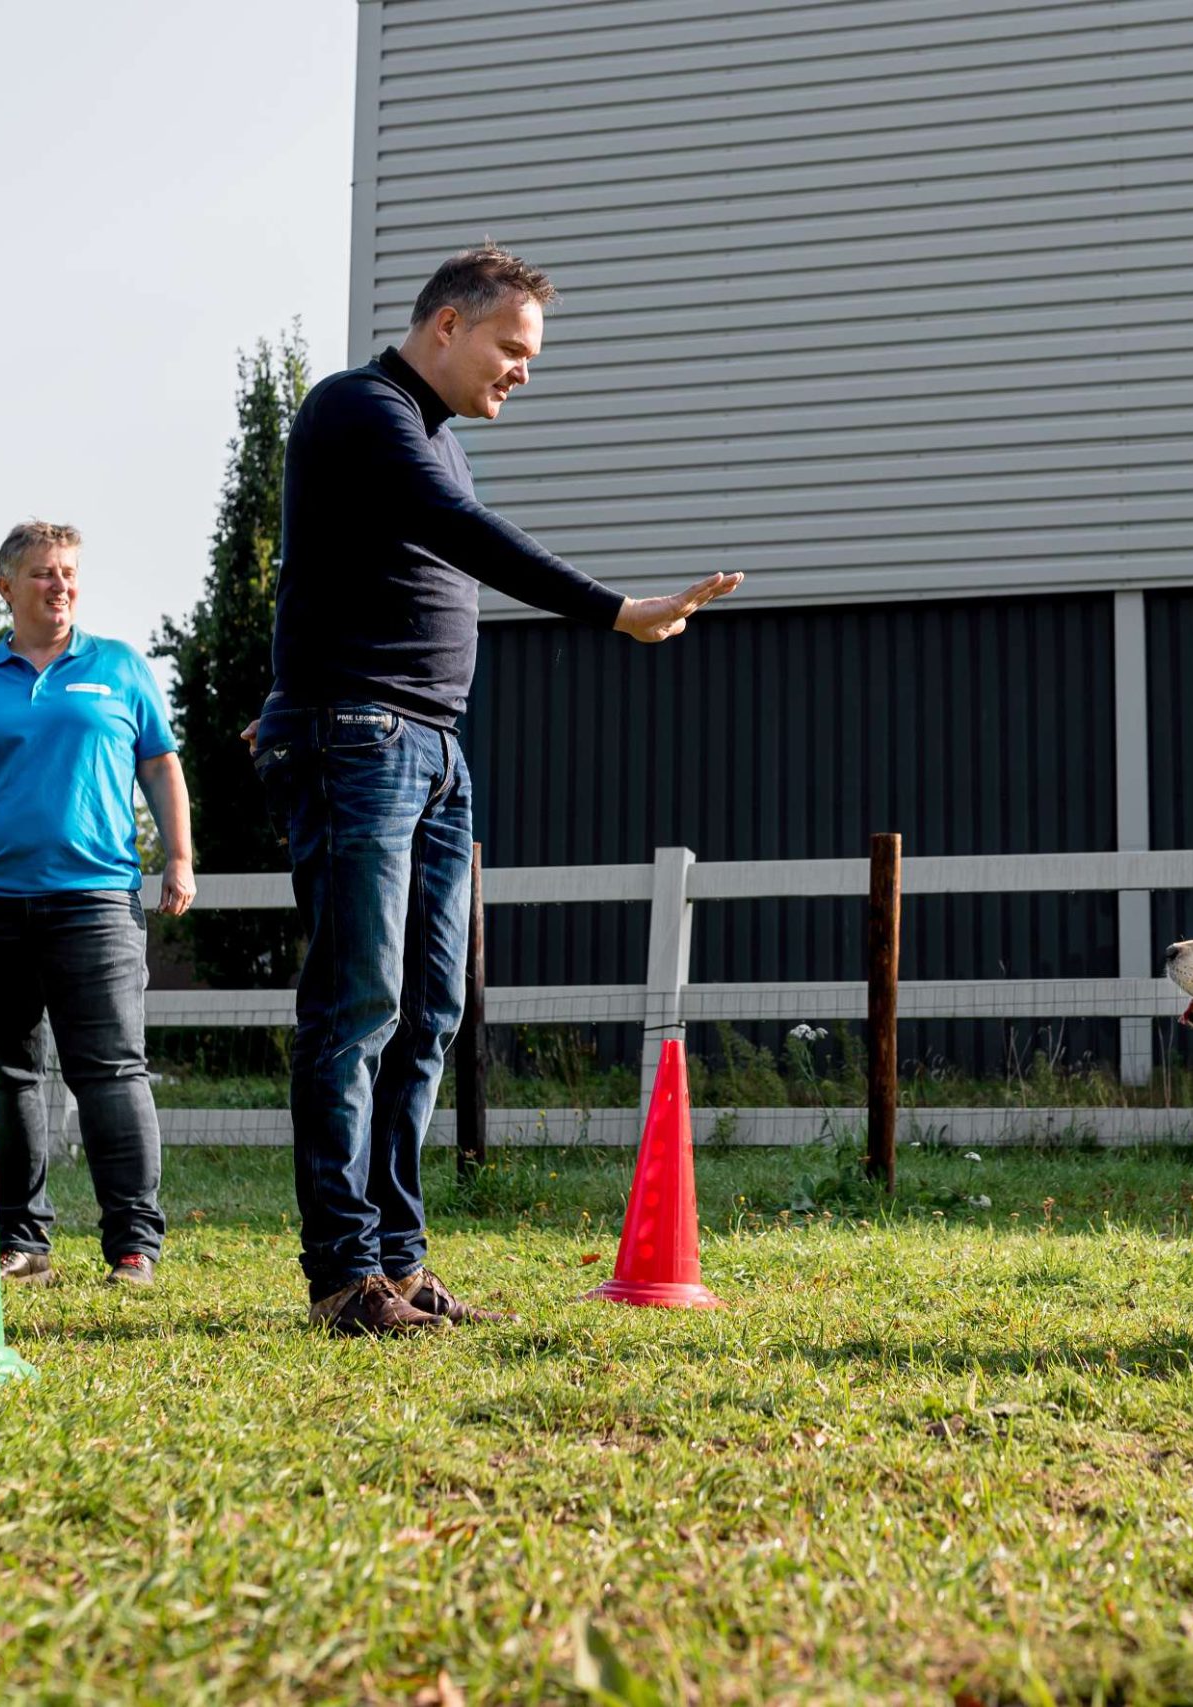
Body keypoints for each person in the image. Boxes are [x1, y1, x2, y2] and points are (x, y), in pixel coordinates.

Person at [251, 245, 739, 1335]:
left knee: (428, 1011)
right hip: (360, 739)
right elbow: (462, 535)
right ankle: (342, 1278)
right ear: (445, 328)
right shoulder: (360, 408)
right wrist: (614, 608)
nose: (522, 371)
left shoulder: (430, 438)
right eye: (510, 349)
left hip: (429, 747)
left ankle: (398, 1262)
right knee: (358, 1005)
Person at [0, 520, 194, 1288]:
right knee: (8, 1074)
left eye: (71, 572)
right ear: (6, 587)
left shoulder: (118, 668)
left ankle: (132, 1246)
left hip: (95, 902)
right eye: (45, 573)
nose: (61, 585)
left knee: (112, 1071)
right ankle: (23, 1242)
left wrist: (179, 857)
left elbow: (161, 766)